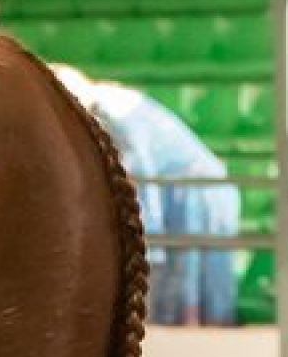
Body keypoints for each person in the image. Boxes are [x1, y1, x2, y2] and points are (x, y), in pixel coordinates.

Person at [55, 64, 242, 326]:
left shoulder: (111, 115)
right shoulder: (113, 102)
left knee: (187, 291)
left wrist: (145, 238)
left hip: (193, 193)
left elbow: (138, 175)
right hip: (191, 189)